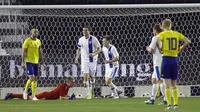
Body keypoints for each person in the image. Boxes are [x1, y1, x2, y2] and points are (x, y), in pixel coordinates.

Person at [157, 19, 191, 110]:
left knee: (167, 85)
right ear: (171, 25)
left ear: (162, 26)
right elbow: (188, 41)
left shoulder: (162, 34)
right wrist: (180, 48)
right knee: (174, 84)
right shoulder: (176, 33)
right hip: (174, 59)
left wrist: (161, 49)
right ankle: (176, 104)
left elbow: (157, 41)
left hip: (166, 59)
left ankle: (169, 105)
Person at [75, 26, 101, 99]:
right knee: (85, 77)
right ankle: (88, 94)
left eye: (86, 31)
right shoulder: (81, 39)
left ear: (89, 31)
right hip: (84, 60)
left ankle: (92, 89)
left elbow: (99, 49)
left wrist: (94, 54)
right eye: (83, 31)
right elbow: (79, 49)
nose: (84, 32)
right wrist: (76, 57)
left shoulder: (94, 39)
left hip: (93, 61)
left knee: (92, 78)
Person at [145, 24, 167, 105]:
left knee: (160, 80)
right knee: (154, 79)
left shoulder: (155, 38)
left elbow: (150, 50)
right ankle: (152, 99)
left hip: (158, 62)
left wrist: (147, 48)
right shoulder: (164, 37)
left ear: (156, 30)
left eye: (153, 30)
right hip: (163, 60)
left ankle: (165, 99)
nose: (152, 32)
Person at [22, 27, 46, 101]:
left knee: (35, 79)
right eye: (34, 32)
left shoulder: (38, 41)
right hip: (29, 61)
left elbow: (40, 52)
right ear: (31, 33)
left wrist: (43, 62)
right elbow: (23, 51)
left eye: (37, 32)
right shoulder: (27, 41)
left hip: (36, 62)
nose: (36, 33)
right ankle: (25, 91)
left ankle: (33, 95)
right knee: (31, 78)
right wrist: (23, 62)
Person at [4, 77, 75, 100]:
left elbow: (64, 96)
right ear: (68, 82)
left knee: (29, 97)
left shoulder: (67, 87)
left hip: (48, 96)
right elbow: (61, 97)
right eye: (72, 82)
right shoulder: (63, 86)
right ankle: (12, 95)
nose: (73, 84)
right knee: (29, 98)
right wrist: (69, 98)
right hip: (46, 96)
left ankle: (28, 92)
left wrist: (70, 97)